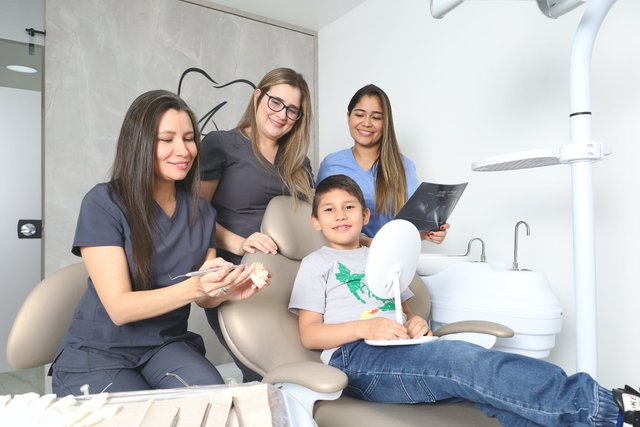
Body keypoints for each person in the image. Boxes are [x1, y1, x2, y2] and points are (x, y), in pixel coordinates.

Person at [289, 173, 640, 427]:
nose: (340, 215)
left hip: (401, 345)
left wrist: (414, 321)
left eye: (349, 207)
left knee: (497, 398)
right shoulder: (316, 263)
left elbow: (402, 307)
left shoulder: (381, 254)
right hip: (356, 358)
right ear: (315, 222)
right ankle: (608, 407)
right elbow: (310, 334)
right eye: (330, 210)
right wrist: (366, 326)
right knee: (464, 362)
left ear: (365, 217)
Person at [50, 90, 266, 397]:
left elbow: (204, 295)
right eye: (167, 139)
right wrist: (197, 288)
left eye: (189, 138)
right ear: (139, 142)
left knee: (215, 401)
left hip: (164, 345)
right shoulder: (103, 203)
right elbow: (120, 308)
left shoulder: (201, 211)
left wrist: (226, 289)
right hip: (99, 352)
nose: (183, 150)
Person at [199, 67, 314, 381]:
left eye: (292, 110)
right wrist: (239, 242)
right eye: (275, 102)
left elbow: (312, 221)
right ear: (257, 97)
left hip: (294, 281)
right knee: (265, 373)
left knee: (309, 371)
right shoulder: (221, 145)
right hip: (241, 275)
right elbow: (195, 215)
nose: (282, 114)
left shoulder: (298, 162)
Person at [316, 84, 449, 247]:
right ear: (348, 117)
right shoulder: (331, 164)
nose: (366, 123)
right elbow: (320, 221)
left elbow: (413, 225)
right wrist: (366, 242)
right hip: (346, 257)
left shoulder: (404, 166)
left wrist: (431, 232)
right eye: (359, 114)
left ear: (386, 122)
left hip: (393, 256)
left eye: (376, 117)